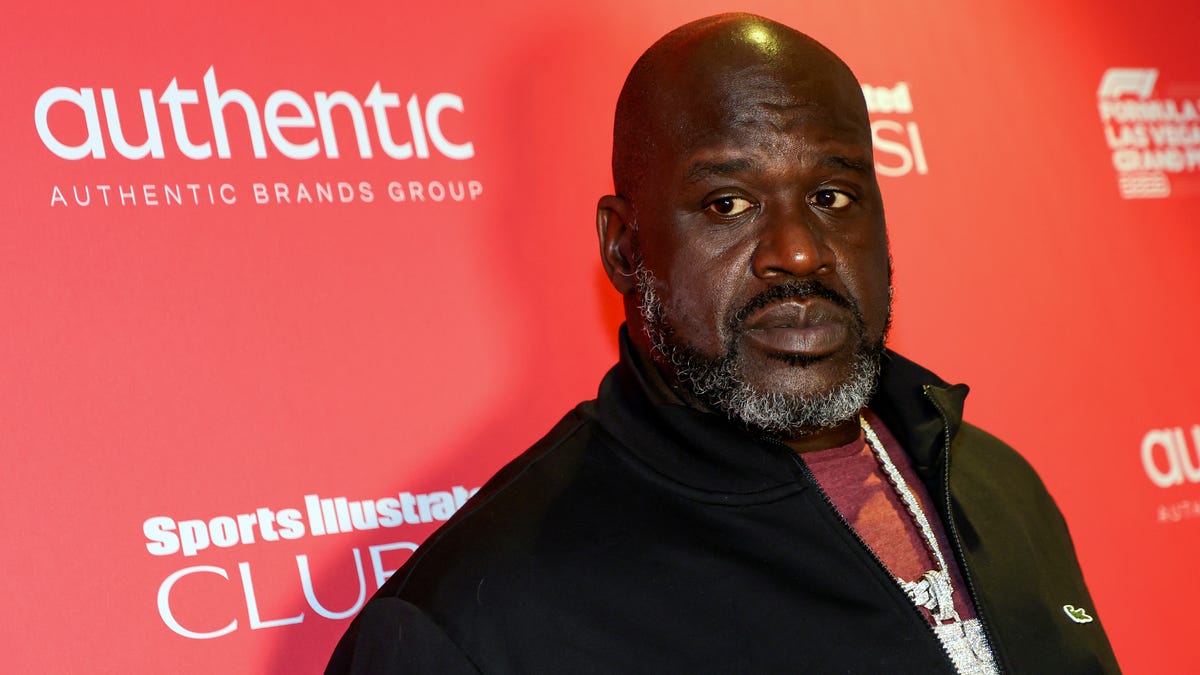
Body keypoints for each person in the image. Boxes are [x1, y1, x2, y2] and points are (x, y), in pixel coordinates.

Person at [326, 13, 1119, 674]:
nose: (798, 252)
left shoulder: (998, 486)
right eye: (728, 203)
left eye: (832, 194)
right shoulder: (470, 624)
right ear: (623, 246)